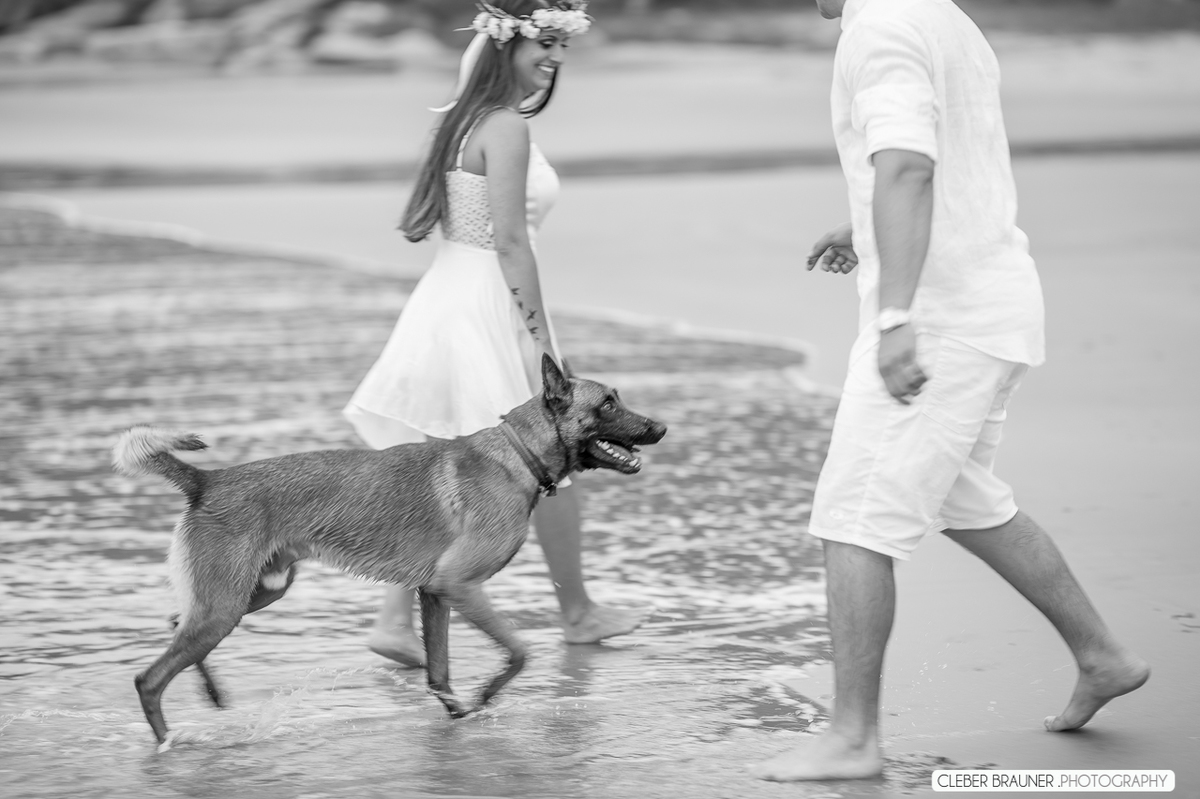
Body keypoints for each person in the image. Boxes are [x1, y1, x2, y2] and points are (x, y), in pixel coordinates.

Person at [752, 0, 1150, 782]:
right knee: (966, 500)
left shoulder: (880, 26)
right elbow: (939, 157)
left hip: (943, 318)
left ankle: (852, 737)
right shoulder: (942, 14)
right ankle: (1103, 655)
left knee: (854, 517)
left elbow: (909, 165)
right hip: (991, 300)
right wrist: (866, 227)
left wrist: (898, 314)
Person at [344, 0, 644, 669]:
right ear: (504, 45)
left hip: (449, 296)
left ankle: (397, 617)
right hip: (488, 302)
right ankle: (578, 612)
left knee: (448, 471)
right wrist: (540, 339)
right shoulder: (504, 126)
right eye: (543, 43)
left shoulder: (460, 120)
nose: (554, 58)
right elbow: (511, 241)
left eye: (560, 46)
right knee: (555, 458)